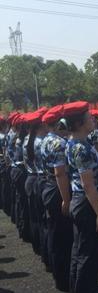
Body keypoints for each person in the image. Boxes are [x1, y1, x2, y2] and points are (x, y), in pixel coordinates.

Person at [65, 101, 98, 293]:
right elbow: (88, 184)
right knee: (87, 253)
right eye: (89, 117)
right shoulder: (80, 147)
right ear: (79, 123)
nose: (93, 119)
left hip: (83, 200)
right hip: (86, 202)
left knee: (81, 251)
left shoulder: (77, 143)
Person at [41, 105, 73, 290]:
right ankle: (63, 278)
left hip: (48, 186)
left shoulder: (46, 140)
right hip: (58, 189)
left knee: (54, 232)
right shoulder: (59, 143)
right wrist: (66, 200)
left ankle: (57, 272)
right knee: (62, 236)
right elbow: (60, 173)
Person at [23, 109, 47, 256]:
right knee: (42, 219)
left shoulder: (27, 139)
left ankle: (38, 247)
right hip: (39, 179)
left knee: (34, 217)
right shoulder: (41, 142)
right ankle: (43, 249)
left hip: (30, 178)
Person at [11, 113, 31, 242]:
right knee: (23, 202)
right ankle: (25, 230)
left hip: (16, 170)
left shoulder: (16, 137)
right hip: (21, 171)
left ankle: (22, 228)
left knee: (20, 201)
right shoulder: (23, 140)